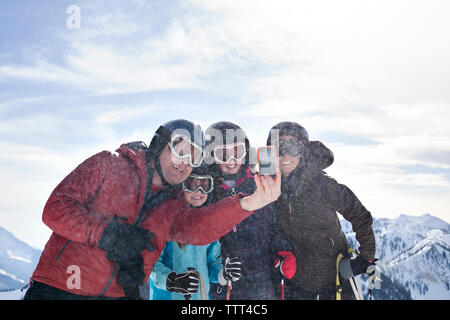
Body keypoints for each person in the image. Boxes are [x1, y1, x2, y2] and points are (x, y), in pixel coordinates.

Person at [24, 119, 281, 300]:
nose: (185, 163)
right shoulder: (109, 165)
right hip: (60, 289)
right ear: (161, 144)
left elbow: (198, 229)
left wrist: (248, 203)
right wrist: (109, 234)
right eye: (181, 151)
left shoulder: (172, 204)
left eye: (195, 157)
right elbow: (55, 209)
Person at [266, 121, 376, 300]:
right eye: (278, 148)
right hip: (295, 281)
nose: (285, 154)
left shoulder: (323, 186)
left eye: (292, 147)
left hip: (336, 279)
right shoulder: (267, 189)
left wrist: (365, 258)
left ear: (303, 151)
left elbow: (360, 215)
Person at [206, 121, 295, 300]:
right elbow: (201, 246)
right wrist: (221, 269)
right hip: (226, 289)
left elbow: (274, 227)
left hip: (262, 285)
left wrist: (283, 252)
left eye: (237, 152)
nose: (231, 161)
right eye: (223, 154)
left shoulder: (259, 186)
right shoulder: (206, 194)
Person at [149, 165, 242, 300]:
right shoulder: (164, 219)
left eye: (205, 185)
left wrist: (223, 273)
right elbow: (151, 264)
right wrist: (172, 281)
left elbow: (211, 263)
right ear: (181, 186)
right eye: (191, 184)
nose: (199, 192)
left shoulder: (208, 223)